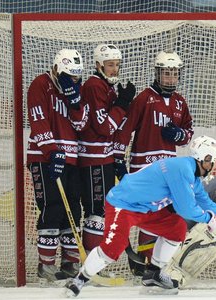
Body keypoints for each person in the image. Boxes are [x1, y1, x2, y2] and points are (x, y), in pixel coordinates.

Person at [64, 136, 216, 297]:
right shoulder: (183, 169)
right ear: (206, 159)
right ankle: (80, 279)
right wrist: (208, 219)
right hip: (123, 204)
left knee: (176, 229)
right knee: (113, 249)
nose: (214, 166)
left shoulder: (193, 175)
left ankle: (154, 273)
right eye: (214, 161)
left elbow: (206, 203)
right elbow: (186, 209)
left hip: (146, 208)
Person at [113, 50, 194, 263]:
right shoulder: (144, 98)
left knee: (166, 215)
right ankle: (143, 259)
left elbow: (188, 133)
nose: (171, 78)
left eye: (175, 73)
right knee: (148, 214)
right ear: (157, 74)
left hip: (168, 170)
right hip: (144, 168)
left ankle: (156, 261)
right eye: (166, 73)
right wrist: (118, 159)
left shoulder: (179, 102)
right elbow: (125, 129)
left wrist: (180, 134)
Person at [26, 49, 88, 281]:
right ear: (56, 69)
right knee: (52, 207)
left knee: (73, 209)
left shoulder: (76, 90)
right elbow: (38, 120)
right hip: (45, 158)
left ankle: (70, 262)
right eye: (68, 76)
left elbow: (81, 124)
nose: (73, 80)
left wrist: (74, 101)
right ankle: (46, 265)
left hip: (71, 158)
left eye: (76, 76)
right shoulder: (40, 84)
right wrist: (52, 151)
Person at [77, 44, 136, 256]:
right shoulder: (95, 86)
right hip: (94, 160)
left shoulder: (107, 86)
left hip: (103, 158)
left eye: (117, 65)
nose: (115, 69)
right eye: (110, 64)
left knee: (102, 209)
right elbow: (104, 127)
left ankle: (94, 261)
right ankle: (92, 262)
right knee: (97, 211)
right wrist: (122, 104)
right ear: (98, 65)